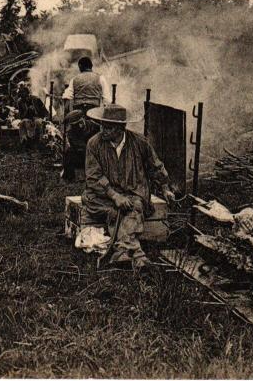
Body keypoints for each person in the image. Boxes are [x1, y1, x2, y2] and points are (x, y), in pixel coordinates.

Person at [82, 103, 179, 269]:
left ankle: (123, 252)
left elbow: (155, 166)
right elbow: (93, 176)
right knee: (112, 210)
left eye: (109, 127)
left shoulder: (140, 142)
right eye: (102, 126)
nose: (103, 130)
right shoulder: (94, 144)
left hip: (133, 192)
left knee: (134, 206)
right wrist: (114, 195)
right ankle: (137, 255)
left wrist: (165, 188)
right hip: (102, 196)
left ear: (121, 128)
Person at [61, 57, 108, 181]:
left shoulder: (75, 79)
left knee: (77, 139)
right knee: (95, 139)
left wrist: (67, 113)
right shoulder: (100, 78)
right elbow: (106, 99)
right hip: (95, 113)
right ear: (91, 66)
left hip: (79, 113)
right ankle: (95, 169)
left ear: (80, 67)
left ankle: (76, 169)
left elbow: (67, 96)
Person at [14, 82, 49, 147]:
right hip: (27, 118)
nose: (23, 98)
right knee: (23, 122)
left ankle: (39, 142)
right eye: (21, 96)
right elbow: (21, 116)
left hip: (37, 117)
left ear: (28, 94)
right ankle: (25, 142)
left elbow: (45, 112)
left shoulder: (36, 99)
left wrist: (44, 118)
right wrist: (27, 111)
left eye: (25, 96)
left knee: (38, 122)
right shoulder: (20, 102)